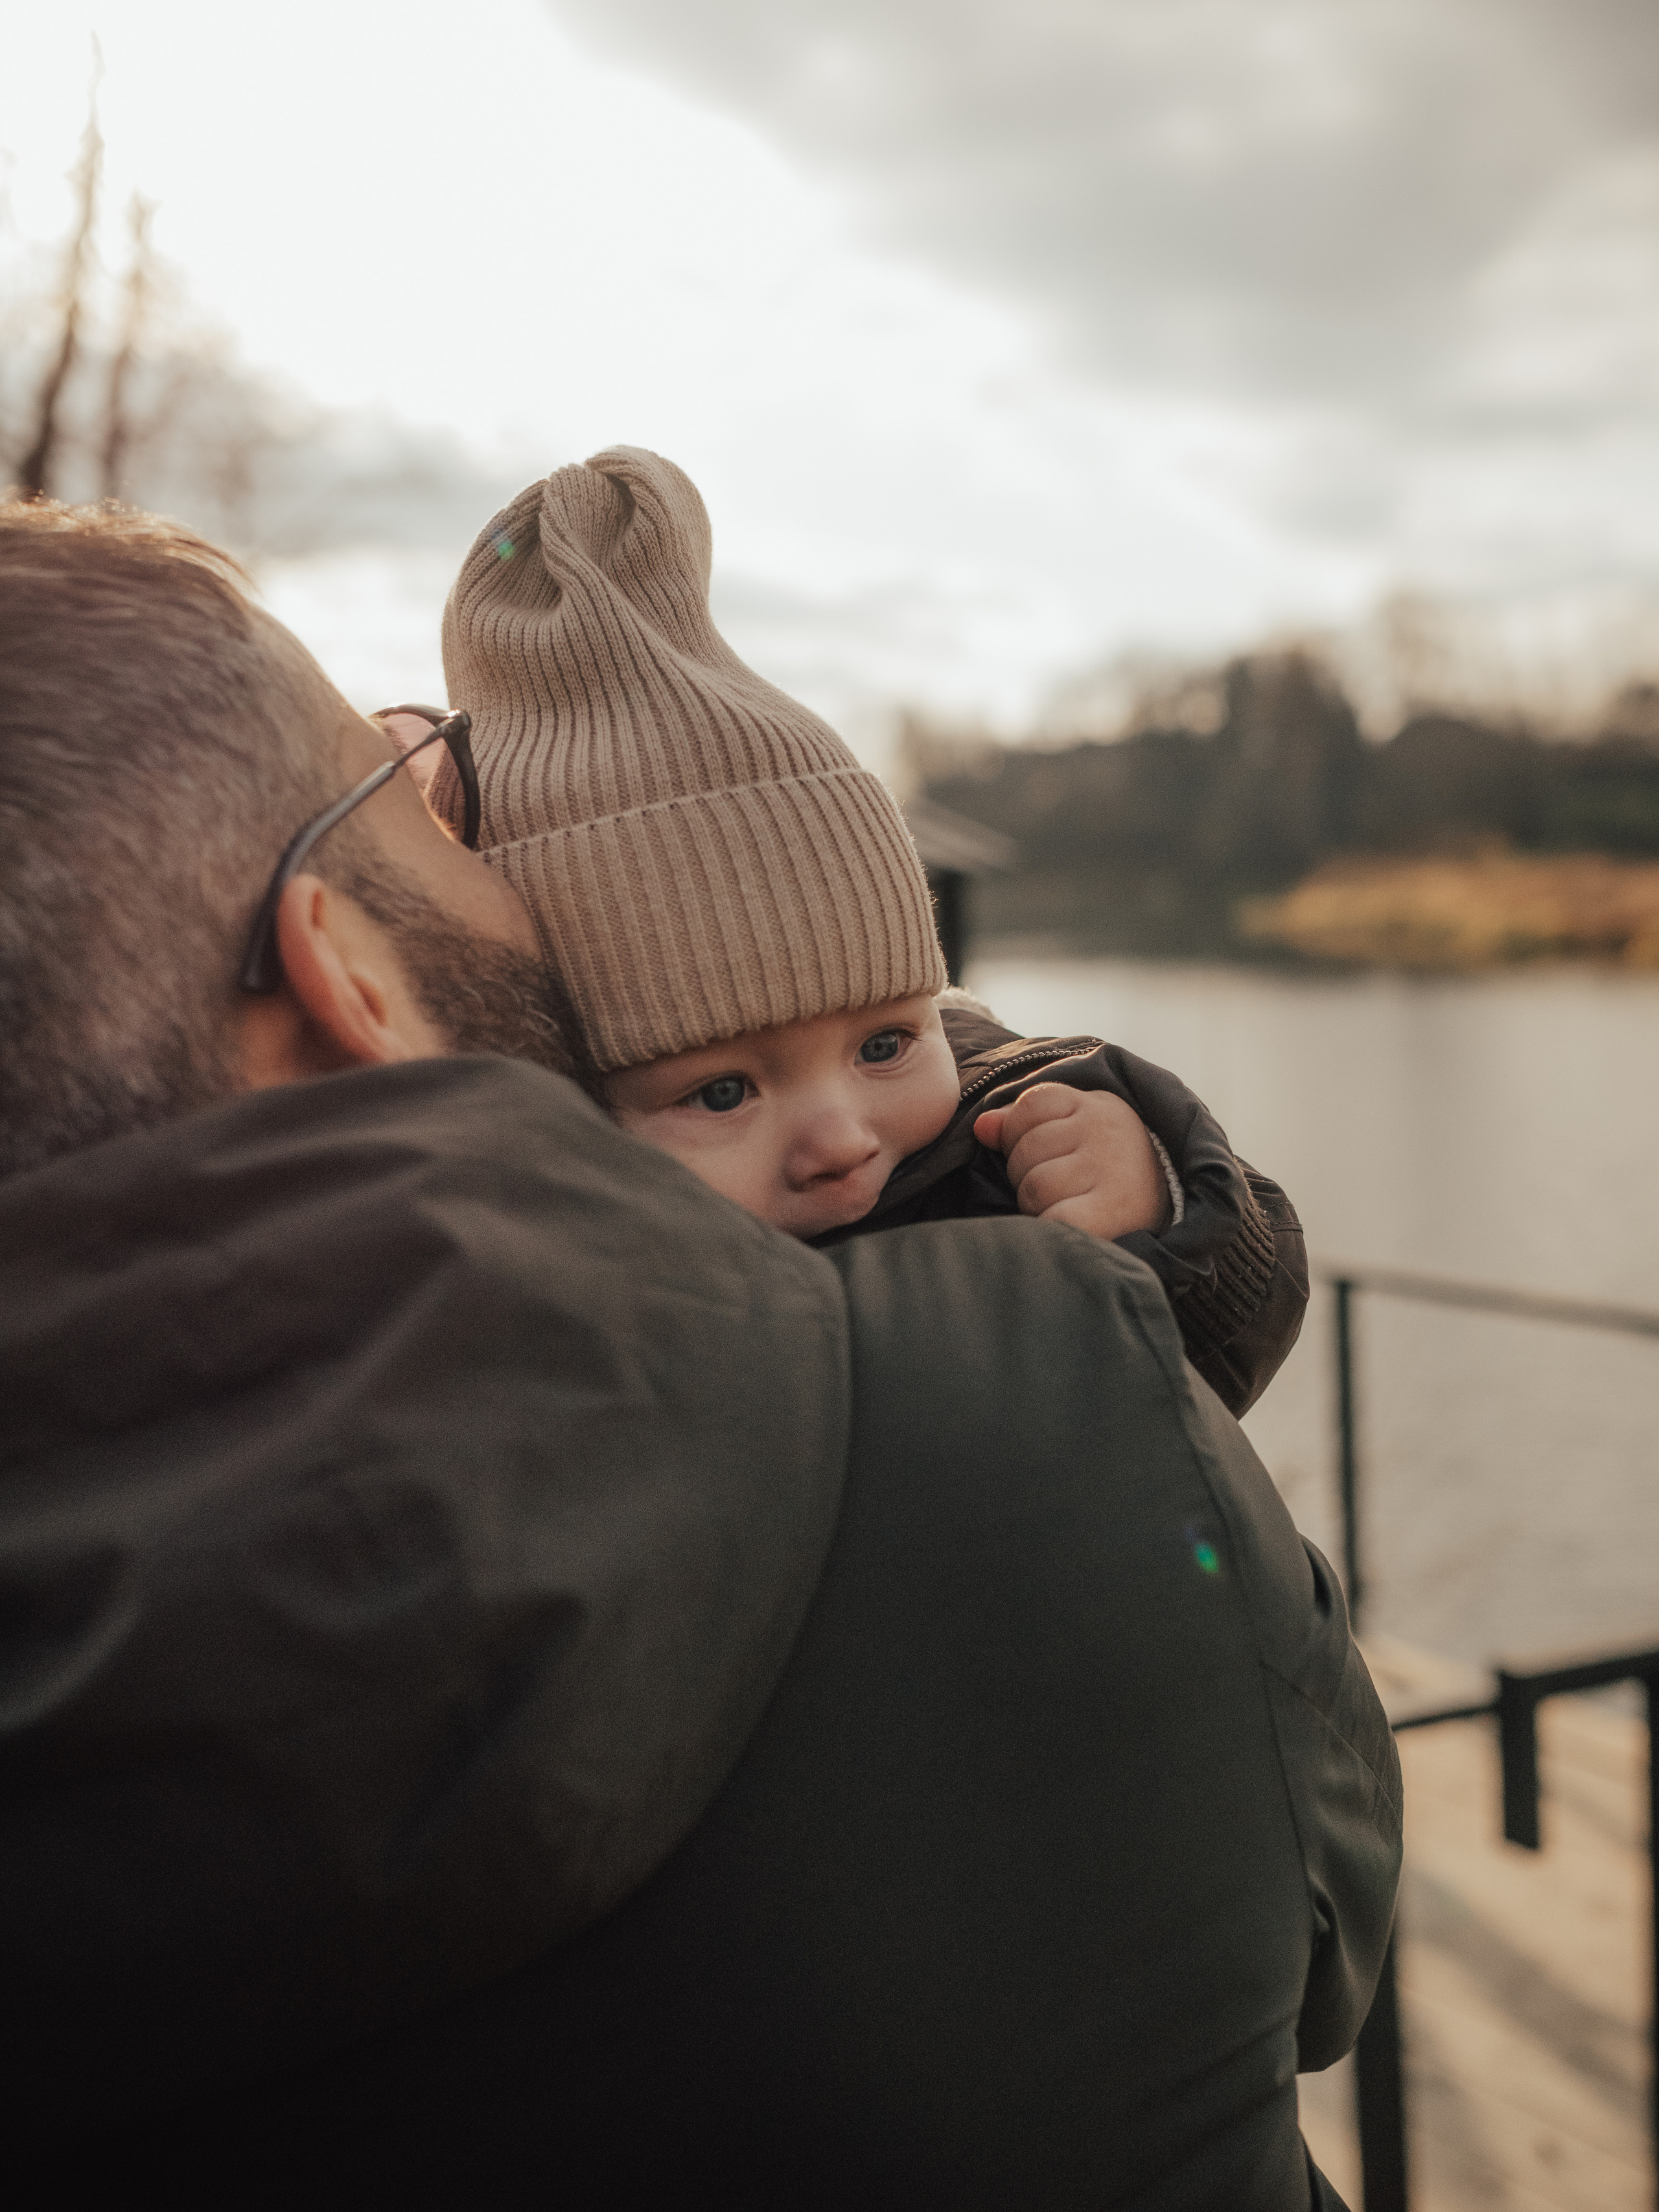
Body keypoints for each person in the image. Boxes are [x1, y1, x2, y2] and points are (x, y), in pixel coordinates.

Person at [0, 498, 1397, 2209]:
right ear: (342, 966)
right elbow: (1329, 1932)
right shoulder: (1029, 1404)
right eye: (398, 784)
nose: (460, 813)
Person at [435, 444, 1305, 1416]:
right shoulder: (557, 1297)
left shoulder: (1001, 1141)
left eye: (885, 1044)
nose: (841, 1141)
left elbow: (1225, 1357)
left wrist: (1159, 1213)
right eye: (722, 1092)